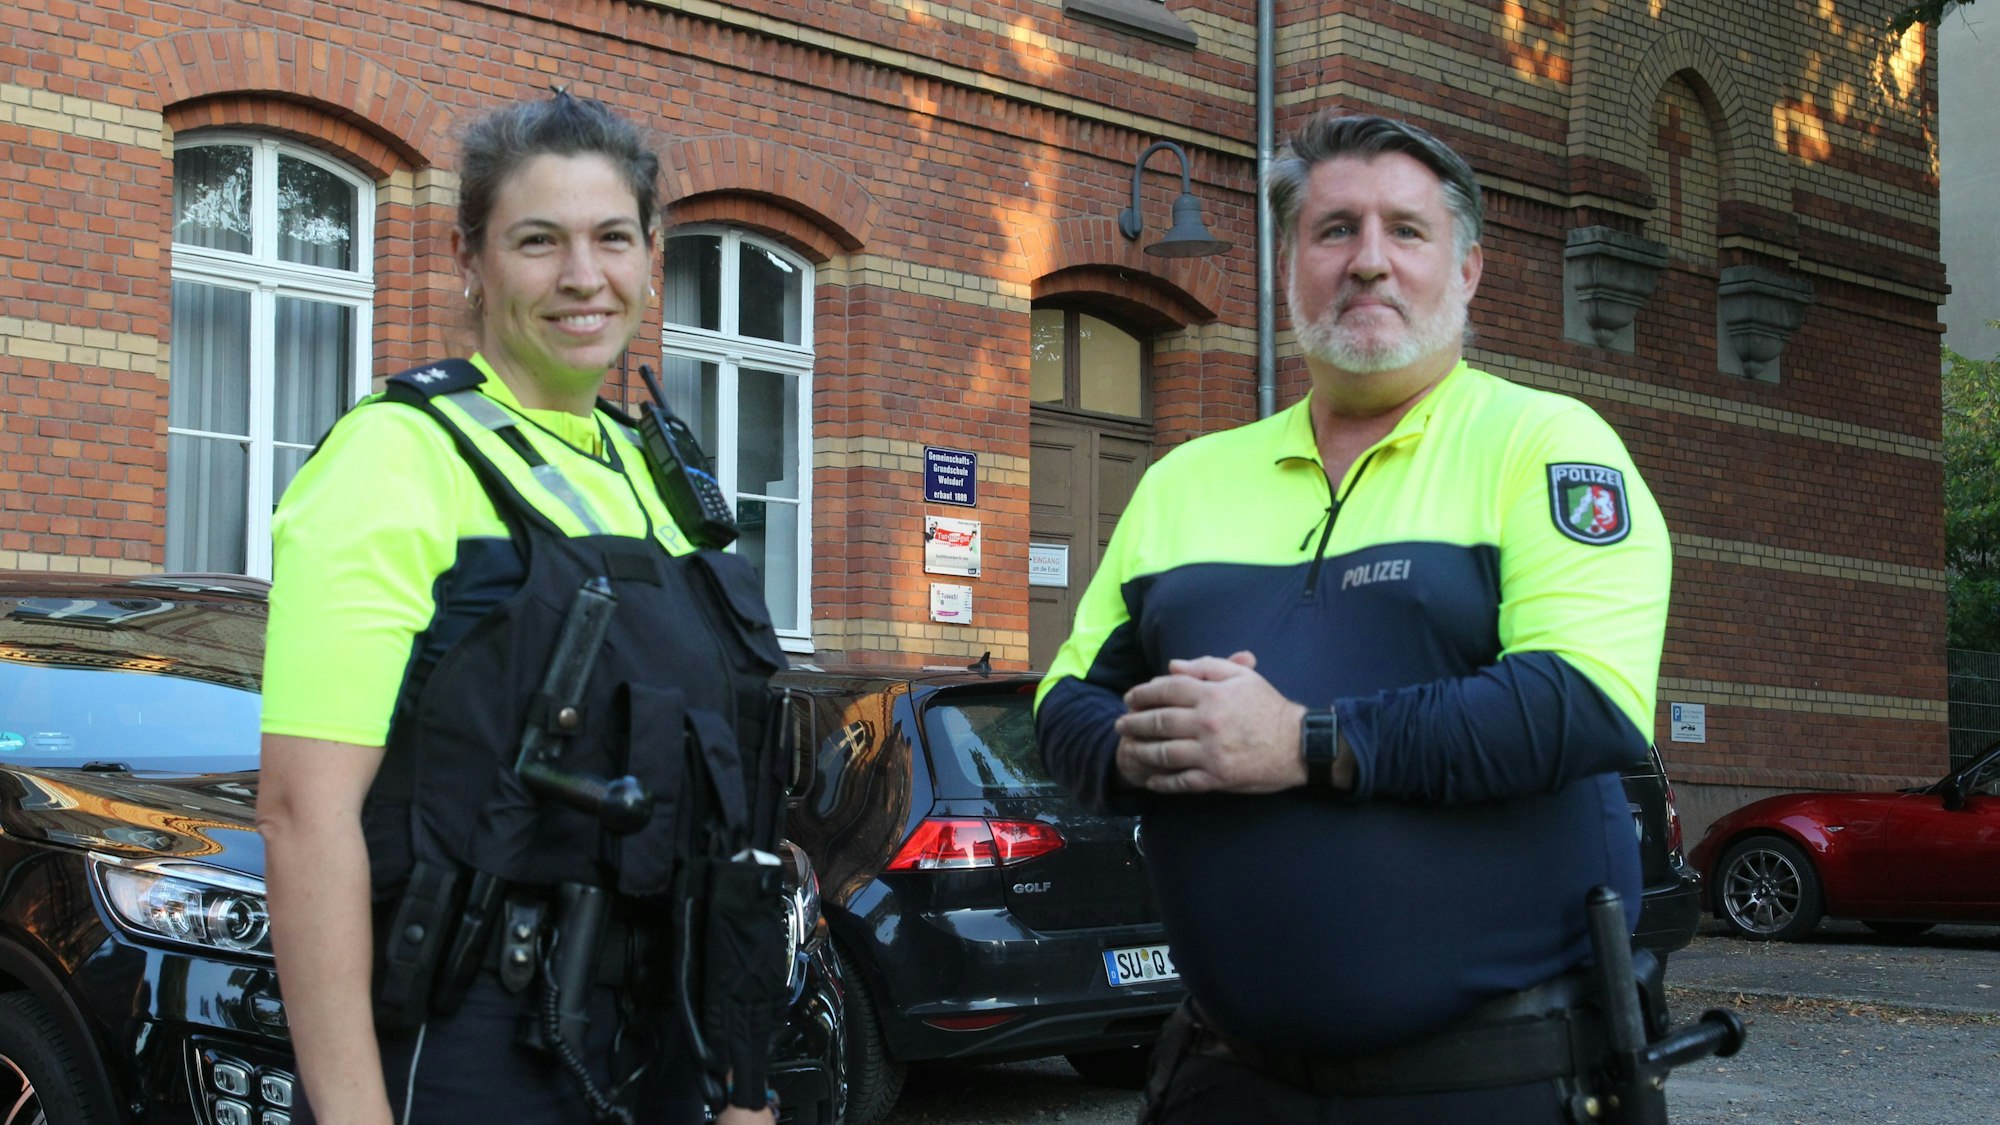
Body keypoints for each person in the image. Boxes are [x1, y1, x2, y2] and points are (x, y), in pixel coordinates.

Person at [1035, 112, 1673, 1122]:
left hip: (1488, 1087)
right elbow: (1062, 701)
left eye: (1404, 232)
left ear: (1465, 270)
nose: (1367, 262)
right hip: (1223, 1081)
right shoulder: (1183, 483)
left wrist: (1299, 741)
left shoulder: (1542, 445)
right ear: (1286, 265)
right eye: (1333, 230)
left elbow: (1581, 703)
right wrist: (1151, 749)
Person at [256, 93, 785, 1125]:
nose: (582, 278)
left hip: (665, 1044)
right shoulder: (398, 455)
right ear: (470, 257)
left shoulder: (657, 475)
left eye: (611, 239)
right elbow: (302, 815)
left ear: (648, 254)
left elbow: (726, 815)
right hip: (470, 1044)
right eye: (538, 241)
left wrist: (741, 1086)